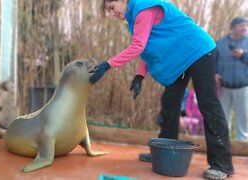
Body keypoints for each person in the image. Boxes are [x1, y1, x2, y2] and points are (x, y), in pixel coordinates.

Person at [89, 0, 234, 179]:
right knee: (170, 101)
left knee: (208, 103)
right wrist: (140, 75)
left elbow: (138, 46)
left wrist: (107, 65)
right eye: (109, 11)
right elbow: (149, 48)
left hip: (198, 50)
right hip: (181, 57)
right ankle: (165, 152)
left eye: (112, 8)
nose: (112, 13)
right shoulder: (135, 18)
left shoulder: (143, 8)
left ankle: (222, 164)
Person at [215, 17, 248, 141]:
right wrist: (214, 73)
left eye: (246, 25)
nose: (245, 28)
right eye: (241, 25)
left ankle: (243, 144)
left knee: (243, 118)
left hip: (243, 87)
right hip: (224, 87)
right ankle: (223, 143)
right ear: (233, 27)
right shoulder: (219, 43)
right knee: (223, 116)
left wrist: (243, 55)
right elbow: (213, 62)